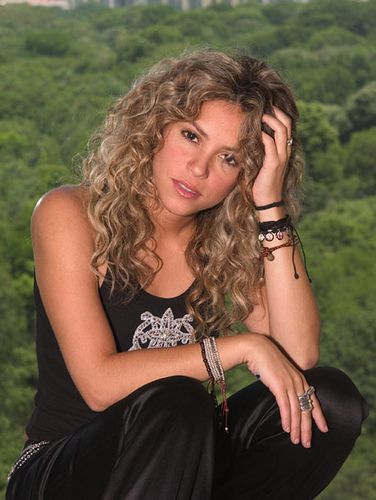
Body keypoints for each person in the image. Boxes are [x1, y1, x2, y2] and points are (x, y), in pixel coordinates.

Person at [6, 49, 368, 500]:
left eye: (230, 159)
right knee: (177, 399)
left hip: (185, 462)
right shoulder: (71, 214)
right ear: (155, 127)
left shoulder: (226, 245)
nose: (199, 169)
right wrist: (241, 347)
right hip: (63, 469)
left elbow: (298, 353)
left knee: (328, 400)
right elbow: (99, 386)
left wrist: (270, 207)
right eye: (192, 136)